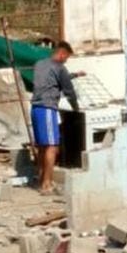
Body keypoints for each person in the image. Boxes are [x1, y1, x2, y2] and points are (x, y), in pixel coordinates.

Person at [30, 40, 79, 194]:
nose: (66, 61)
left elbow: (52, 79)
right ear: (62, 53)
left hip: (35, 108)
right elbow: (69, 90)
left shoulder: (40, 64)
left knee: (43, 147)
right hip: (47, 108)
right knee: (52, 147)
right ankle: (47, 185)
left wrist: (76, 75)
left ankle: (41, 178)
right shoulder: (60, 67)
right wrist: (76, 107)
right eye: (67, 58)